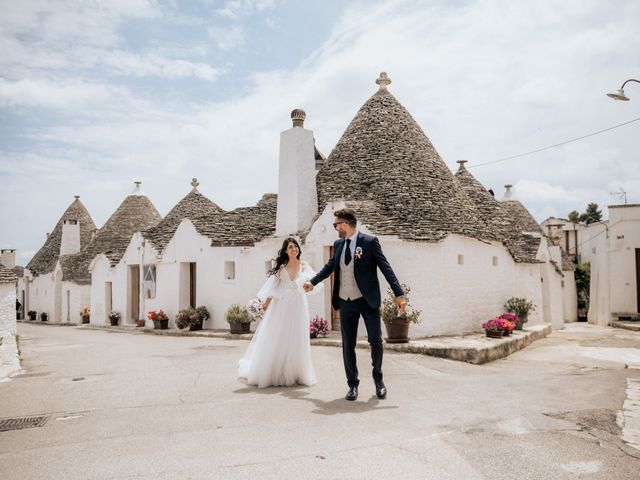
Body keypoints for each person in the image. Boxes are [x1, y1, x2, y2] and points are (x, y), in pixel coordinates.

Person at [304, 208, 405, 401]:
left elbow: (386, 268)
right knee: (347, 344)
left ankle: (379, 381)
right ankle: (352, 385)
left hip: (367, 300)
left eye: (336, 224)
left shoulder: (370, 242)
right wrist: (313, 282)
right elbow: (329, 267)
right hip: (345, 301)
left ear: (346, 224)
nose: (335, 228)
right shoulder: (339, 244)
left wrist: (399, 293)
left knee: (375, 341)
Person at [238, 237, 322, 388]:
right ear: (285, 250)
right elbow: (272, 288)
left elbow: (313, 282)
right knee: (279, 335)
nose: (293, 249)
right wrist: (264, 305)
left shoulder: (304, 264)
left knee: (296, 336)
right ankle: (276, 371)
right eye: (290, 247)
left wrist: (309, 285)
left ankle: (297, 372)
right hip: (281, 305)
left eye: (295, 247)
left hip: (298, 304)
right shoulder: (281, 267)